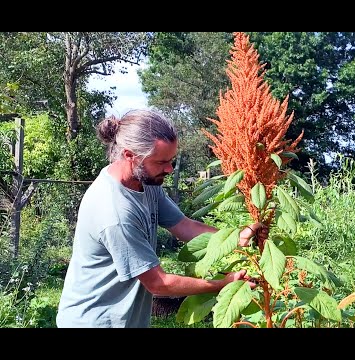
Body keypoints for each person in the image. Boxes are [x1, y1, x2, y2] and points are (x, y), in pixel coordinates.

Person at [56, 109, 266, 328]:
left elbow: (183, 226)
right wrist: (222, 284)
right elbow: (159, 284)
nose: (169, 169)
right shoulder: (115, 212)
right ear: (129, 155)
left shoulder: (144, 182)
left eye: (171, 160)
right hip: (95, 321)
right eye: (161, 162)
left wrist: (238, 237)